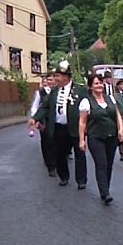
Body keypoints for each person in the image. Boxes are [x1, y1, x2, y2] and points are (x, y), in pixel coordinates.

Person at [34, 61, 88, 189]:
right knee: (59, 153)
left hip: (75, 127)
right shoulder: (54, 91)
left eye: (57, 76)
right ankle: (63, 176)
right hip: (59, 127)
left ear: (65, 77)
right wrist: (35, 118)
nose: (55, 78)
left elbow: (87, 108)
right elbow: (45, 107)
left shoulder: (80, 90)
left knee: (79, 154)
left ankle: (81, 180)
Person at [78, 73, 123, 204]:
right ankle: (104, 193)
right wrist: (82, 140)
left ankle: (106, 188)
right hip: (95, 137)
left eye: (101, 83)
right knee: (101, 163)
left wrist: (121, 128)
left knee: (109, 164)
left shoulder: (110, 98)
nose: (100, 85)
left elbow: (117, 114)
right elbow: (82, 122)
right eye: (96, 83)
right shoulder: (86, 102)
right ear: (90, 86)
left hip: (111, 137)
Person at [29, 74, 56, 176]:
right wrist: (36, 119)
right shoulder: (40, 92)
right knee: (46, 142)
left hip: (56, 121)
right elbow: (35, 107)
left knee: (56, 142)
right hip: (44, 120)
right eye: (48, 80)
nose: (49, 81)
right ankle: (50, 164)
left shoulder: (58, 91)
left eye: (51, 79)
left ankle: (56, 161)